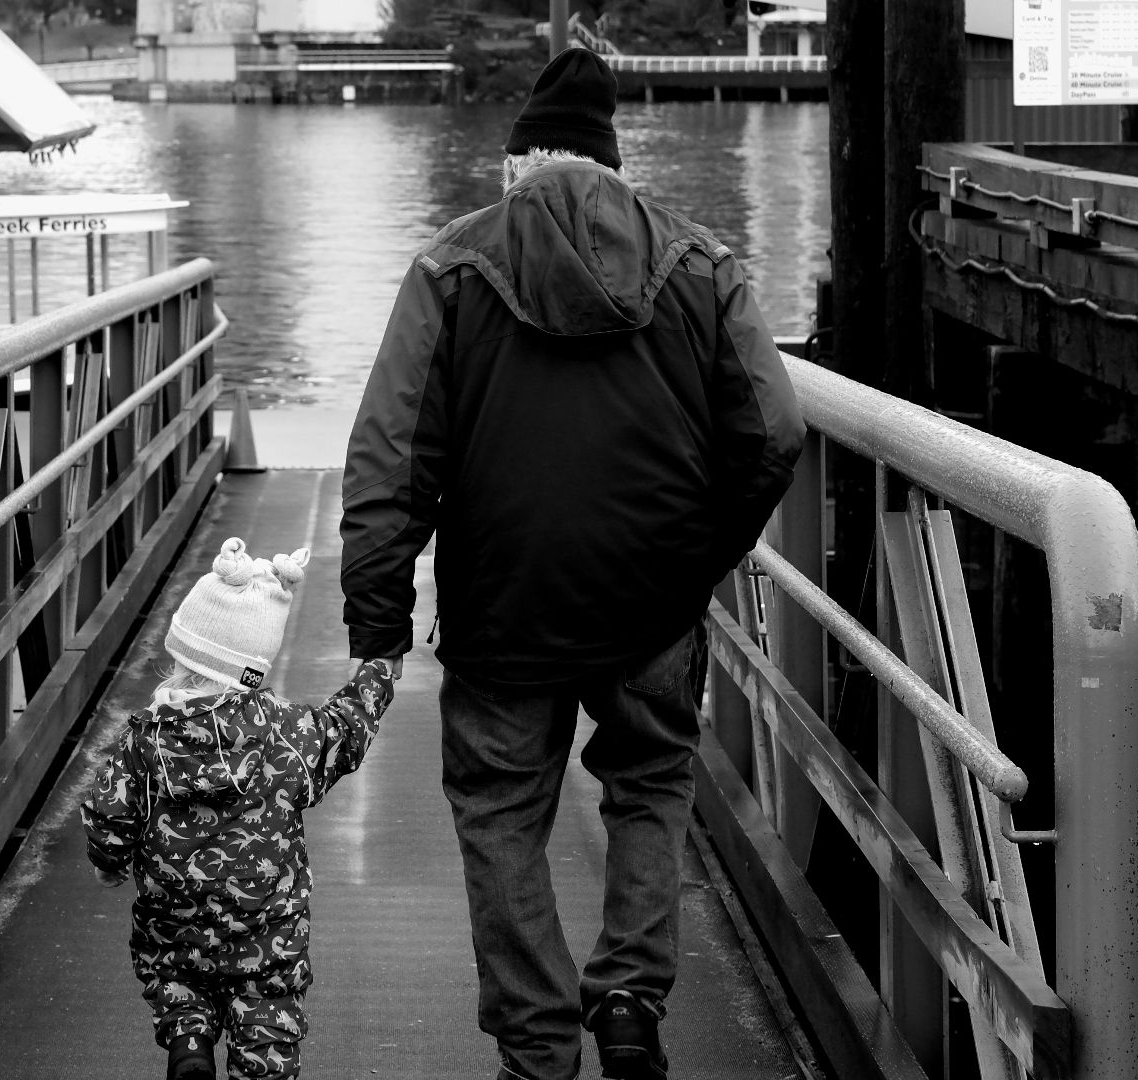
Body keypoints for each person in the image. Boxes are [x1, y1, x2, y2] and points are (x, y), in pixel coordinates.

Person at [339, 47, 806, 1080]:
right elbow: (773, 432)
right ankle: (632, 1000)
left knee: (502, 811)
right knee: (648, 781)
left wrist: (376, 623)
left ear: (520, 162)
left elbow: (387, 459)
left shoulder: (450, 269)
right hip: (651, 603)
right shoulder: (700, 264)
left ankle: (538, 1048)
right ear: (612, 162)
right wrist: (700, 557)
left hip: (503, 611)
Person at [82, 538, 398, 1080]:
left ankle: (188, 1043)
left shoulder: (144, 739)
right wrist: (379, 673)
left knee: (179, 986)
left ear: (183, 656)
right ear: (253, 666)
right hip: (265, 939)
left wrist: (109, 865)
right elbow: (343, 730)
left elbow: (110, 814)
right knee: (269, 1019)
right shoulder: (286, 735)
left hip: (175, 928)